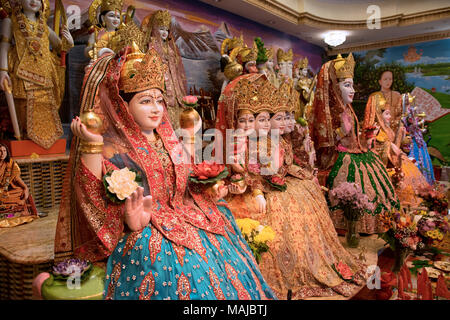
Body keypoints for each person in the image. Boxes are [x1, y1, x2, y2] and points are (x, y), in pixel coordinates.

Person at [55, 45, 275, 300]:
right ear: (122, 105)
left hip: (188, 213)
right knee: (181, 264)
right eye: (145, 100)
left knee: (223, 232)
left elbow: (186, 181)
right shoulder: (112, 149)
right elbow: (93, 202)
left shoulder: (168, 139)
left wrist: (210, 189)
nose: (157, 108)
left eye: (159, 100)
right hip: (145, 228)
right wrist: (127, 219)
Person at [218, 74, 367, 300]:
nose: (259, 124)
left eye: (263, 119)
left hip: (274, 184)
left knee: (306, 192)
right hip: (250, 189)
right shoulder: (239, 143)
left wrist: (303, 174)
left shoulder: (276, 140)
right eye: (247, 120)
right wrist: (257, 189)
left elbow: (283, 165)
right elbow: (248, 171)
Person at [310, 53, 400, 234]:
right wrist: (343, 130)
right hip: (341, 156)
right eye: (347, 85)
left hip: (357, 152)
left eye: (352, 85)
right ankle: (351, 224)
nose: (353, 90)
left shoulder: (347, 108)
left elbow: (352, 136)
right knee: (364, 184)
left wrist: (366, 138)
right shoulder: (331, 111)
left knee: (377, 180)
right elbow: (324, 141)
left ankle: (380, 222)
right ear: (334, 87)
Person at [0, 0, 73, 149]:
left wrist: (69, 42)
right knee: (24, 112)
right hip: (22, 75)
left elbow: (60, 47)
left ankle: (47, 149)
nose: (33, 1)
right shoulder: (10, 21)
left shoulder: (44, 26)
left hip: (45, 76)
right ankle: (26, 146)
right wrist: (3, 71)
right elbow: (4, 46)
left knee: (47, 110)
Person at [363, 93, 430, 207]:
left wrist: (399, 136)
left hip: (396, 162)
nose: (390, 117)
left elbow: (395, 149)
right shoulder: (375, 129)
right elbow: (375, 151)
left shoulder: (386, 128)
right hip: (383, 166)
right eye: (387, 114)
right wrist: (389, 145)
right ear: (379, 114)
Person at [141, 10, 188, 129]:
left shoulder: (171, 47)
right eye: (161, 29)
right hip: (161, 84)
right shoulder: (151, 45)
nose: (164, 33)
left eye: (167, 30)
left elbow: (177, 69)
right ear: (155, 29)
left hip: (174, 84)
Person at [0, 142, 38, 227]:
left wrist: (24, 194)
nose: (2, 153)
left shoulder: (11, 165)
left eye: (4, 151)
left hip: (8, 192)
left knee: (20, 190)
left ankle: (13, 214)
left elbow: (23, 185)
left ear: (7, 152)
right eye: (0, 151)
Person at [366, 70, 402, 134]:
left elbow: (400, 113)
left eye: (390, 79)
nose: (388, 81)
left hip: (394, 129)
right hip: (379, 130)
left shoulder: (397, 95)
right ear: (380, 81)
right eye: (385, 79)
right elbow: (370, 116)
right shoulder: (374, 96)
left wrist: (395, 124)